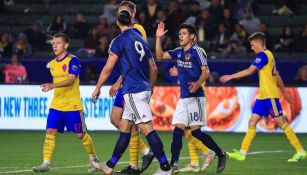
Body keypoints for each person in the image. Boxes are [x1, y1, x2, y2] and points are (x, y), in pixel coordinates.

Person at [91, 10, 172, 175]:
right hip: (143, 87)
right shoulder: (141, 39)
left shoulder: (118, 41)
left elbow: (108, 68)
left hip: (133, 90)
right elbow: (153, 67)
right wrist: (150, 87)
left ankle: (165, 168)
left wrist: (98, 87)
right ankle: (109, 165)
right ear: (131, 22)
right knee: (125, 127)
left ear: (117, 23)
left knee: (147, 128)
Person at [219, 32, 307, 162]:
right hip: (262, 97)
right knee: (252, 122)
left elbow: (250, 71)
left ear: (259, 43)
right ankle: (242, 153)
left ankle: (300, 151)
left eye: (252, 44)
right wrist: (285, 93)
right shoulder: (270, 55)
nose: (251, 47)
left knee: (281, 123)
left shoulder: (263, 56)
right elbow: (278, 76)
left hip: (270, 97)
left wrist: (230, 76)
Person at [155, 22, 227, 174]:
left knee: (196, 133)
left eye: (184, 33)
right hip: (184, 98)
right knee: (177, 132)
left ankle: (220, 154)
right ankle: (173, 164)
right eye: (180, 34)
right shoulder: (178, 52)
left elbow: (205, 72)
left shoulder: (197, 51)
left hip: (196, 97)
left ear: (192, 37)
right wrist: (158, 38)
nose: (181, 36)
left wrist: (197, 83)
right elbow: (160, 56)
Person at [32, 33, 99, 173]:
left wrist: (52, 86)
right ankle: (46, 163)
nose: (54, 45)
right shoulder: (52, 64)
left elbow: (71, 80)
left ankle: (94, 160)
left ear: (66, 45)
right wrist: (52, 86)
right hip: (56, 105)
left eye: (58, 42)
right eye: (53, 43)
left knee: (80, 134)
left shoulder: (73, 60)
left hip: (72, 105)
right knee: (50, 131)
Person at [106, 1, 155, 175]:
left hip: (132, 83)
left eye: (125, 11)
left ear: (133, 13)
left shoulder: (137, 30)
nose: (122, 13)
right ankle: (145, 152)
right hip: (126, 82)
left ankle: (134, 165)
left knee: (132, 124)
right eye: (121, 10)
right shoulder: (123, 31)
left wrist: (118, 81)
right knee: (115, 119)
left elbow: (136, 63)